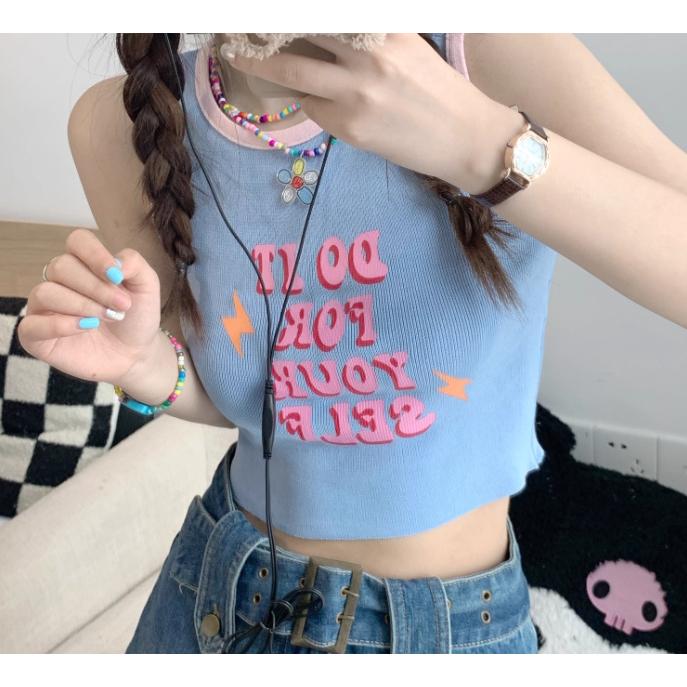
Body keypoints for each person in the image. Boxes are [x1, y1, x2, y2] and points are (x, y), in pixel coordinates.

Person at [19, 33, 687, 654]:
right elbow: (254, 402)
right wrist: (145, 365)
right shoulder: (120, 124)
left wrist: (483, 145)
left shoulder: (485, 48)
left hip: (444, 627)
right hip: (212, 597)